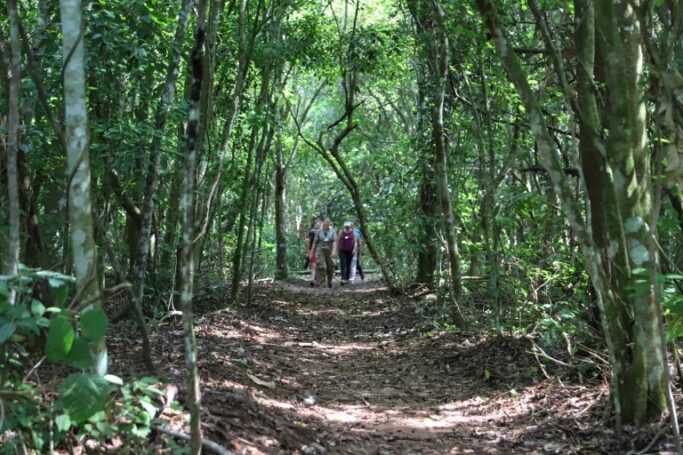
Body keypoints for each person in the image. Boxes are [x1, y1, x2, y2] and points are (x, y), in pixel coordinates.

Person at [312, 217, 337, 288]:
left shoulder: (333, 231)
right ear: (323, 222)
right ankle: (322, 282)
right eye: (326, 222)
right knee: (322, 266)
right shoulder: (318, 231)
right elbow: (314, 243)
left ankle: (330, 281)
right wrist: (311, 253)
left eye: (329, 222)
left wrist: (334, 251)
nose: (327, 223)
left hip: (329, 250)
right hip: (320, 250)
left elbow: (335, 241)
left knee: (330, 267)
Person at [338, 221, 357, 285]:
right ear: (344, 226)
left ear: (350, 226)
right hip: (342, 250)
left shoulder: (353, 232)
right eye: (346, 226)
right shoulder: (341, 232)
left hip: (350, 251)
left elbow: (355, 242)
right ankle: (342, 279)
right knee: (343, 264)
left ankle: (346, 279)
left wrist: (354, 249)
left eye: (348, 226)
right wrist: (336, 249)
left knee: (348, 265)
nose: (347, 228)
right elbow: (338, 241)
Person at [308, 220, 321, 286]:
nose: (318, 226)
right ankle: (312, 280)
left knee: (319, 266)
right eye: (317, 224)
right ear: (314, 225)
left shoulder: (322, 233)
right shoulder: (312, 232)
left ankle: (318, 281)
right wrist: (309, 251)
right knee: (313, 265)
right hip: (313, 250)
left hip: (320, 251)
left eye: (319, 225)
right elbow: (309, 242)